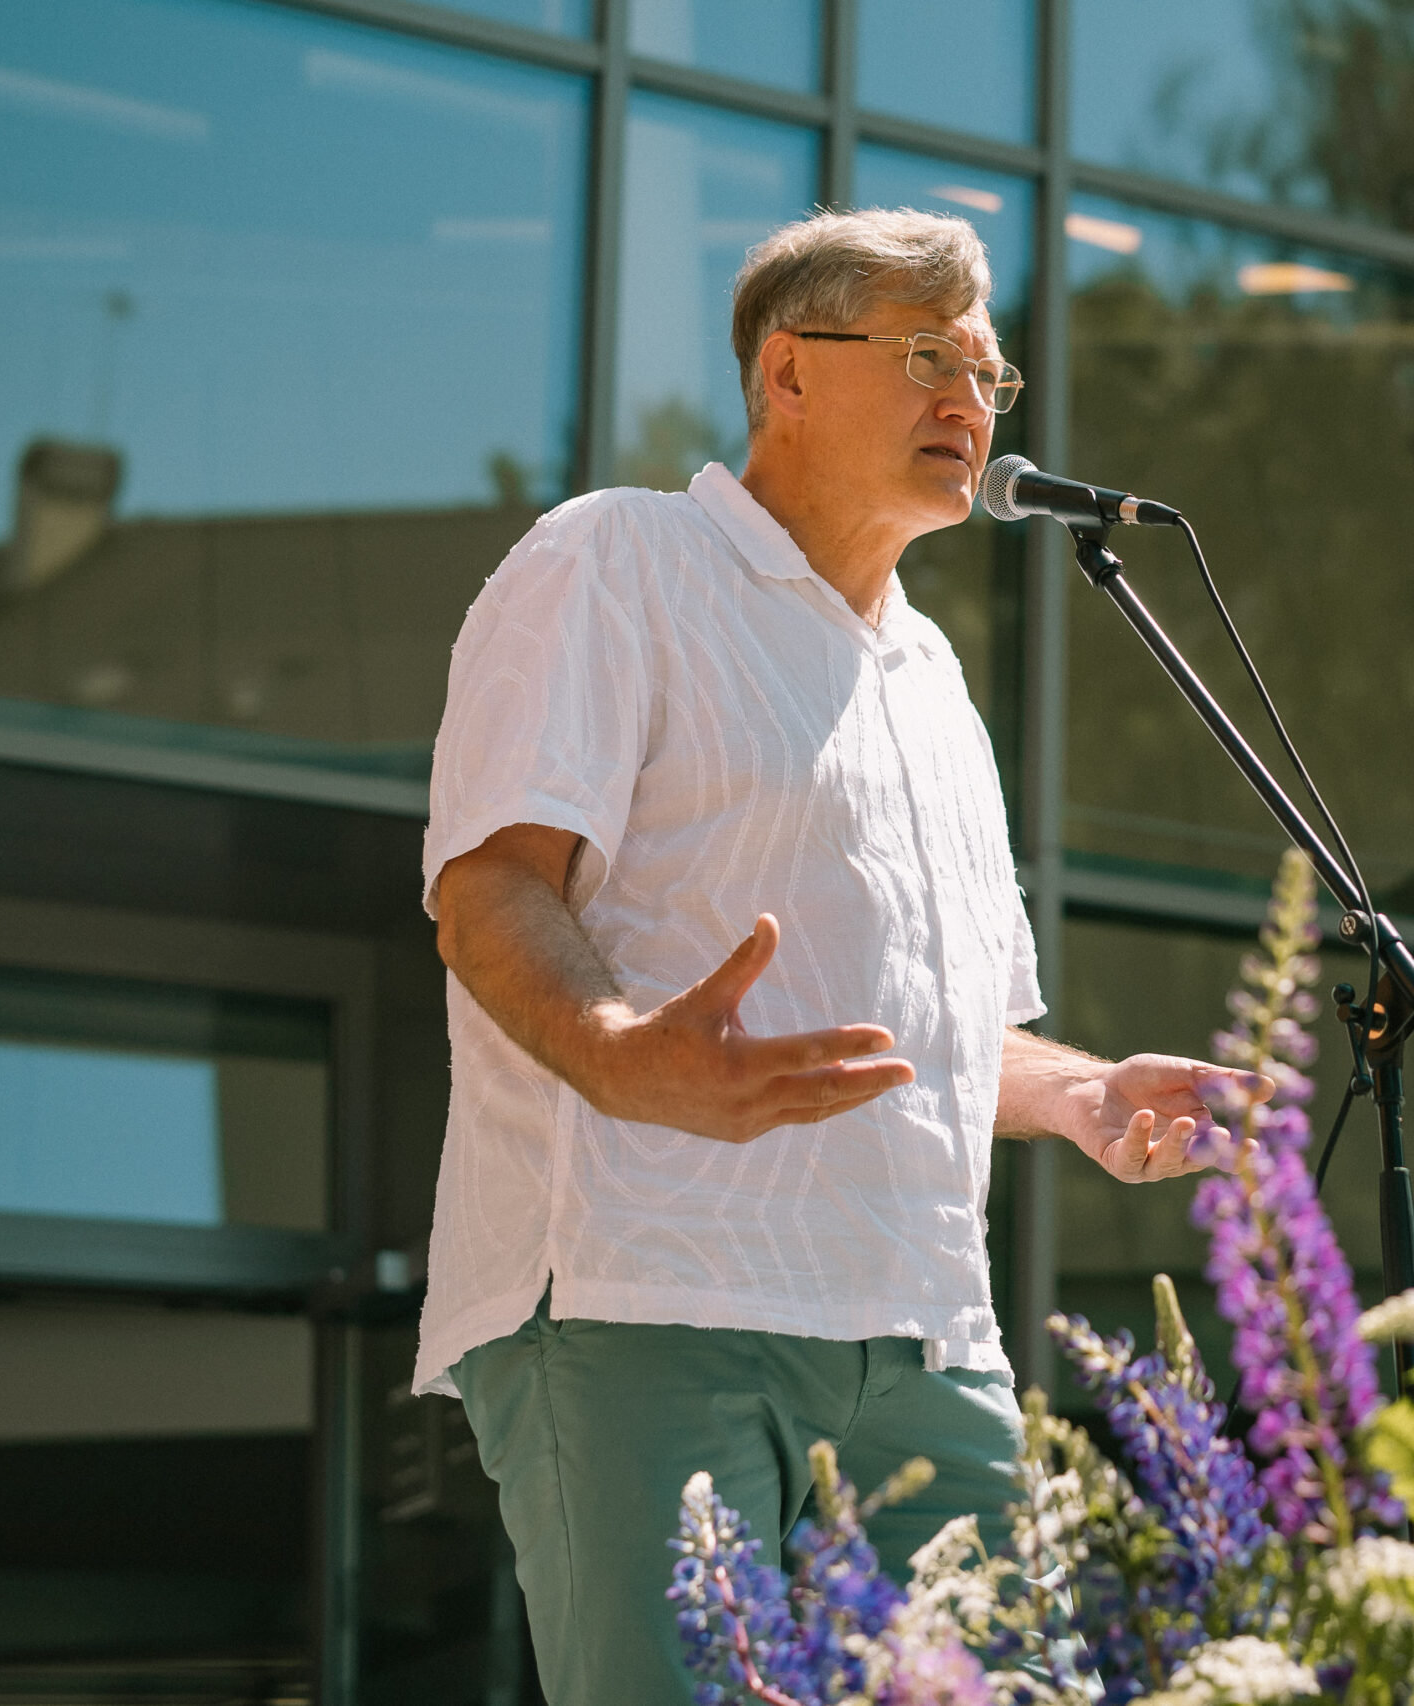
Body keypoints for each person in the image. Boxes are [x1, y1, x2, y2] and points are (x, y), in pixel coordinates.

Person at [412, 207, 1256, 1706]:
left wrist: (1078, 1093)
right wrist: (625, 1052)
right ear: (787, 374)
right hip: (649, 1299)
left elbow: (945, 1029)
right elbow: (490, 889)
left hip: (928, 1337)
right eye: (929, 356)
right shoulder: (618, 558)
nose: (971, 401)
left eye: (989, 372)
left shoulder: (933, 681)